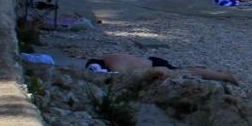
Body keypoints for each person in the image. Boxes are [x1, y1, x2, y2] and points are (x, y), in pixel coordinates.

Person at [85, 53, 238, 84]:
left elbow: (119, 77)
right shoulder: (109, 57)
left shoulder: (115, 64)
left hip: (157, 66)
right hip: (152, 61)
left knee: (185, 72)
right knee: (184, 69)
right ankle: (217, 73)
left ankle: (223, 76)